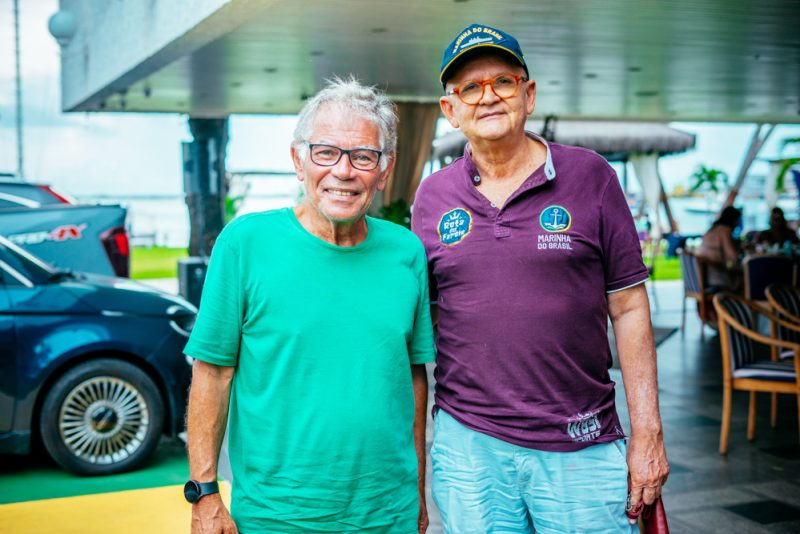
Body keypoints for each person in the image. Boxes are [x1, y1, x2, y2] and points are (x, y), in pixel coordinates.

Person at [411, 23, 669, 533]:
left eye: (502, 82)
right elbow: (427, 319)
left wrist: (648, 433)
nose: (488, 98)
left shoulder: (592, 176)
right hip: (470, 450)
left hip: (581, 446)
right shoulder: (431, 199)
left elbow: (630, 306)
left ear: (528, 95)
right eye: (469, 88)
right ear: (451, 110)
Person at [184, 78, 435, 533]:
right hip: (277, 516)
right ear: (298, 159)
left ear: (385, 168)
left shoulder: (407, 252)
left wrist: (418, 493)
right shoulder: (245, 244)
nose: (343, 171)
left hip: (387, 514)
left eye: (363, 156)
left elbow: (413, 376)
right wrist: (204, 495)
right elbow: (213, 373)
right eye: (325, 152)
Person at [696, 205, 743, 292]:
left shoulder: (712, 230)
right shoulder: (724, 230)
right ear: (733, 220)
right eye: (737, 220)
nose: (738, 224)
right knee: (746, 277)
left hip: (703, 278)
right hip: (717, 278)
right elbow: (732, 256)